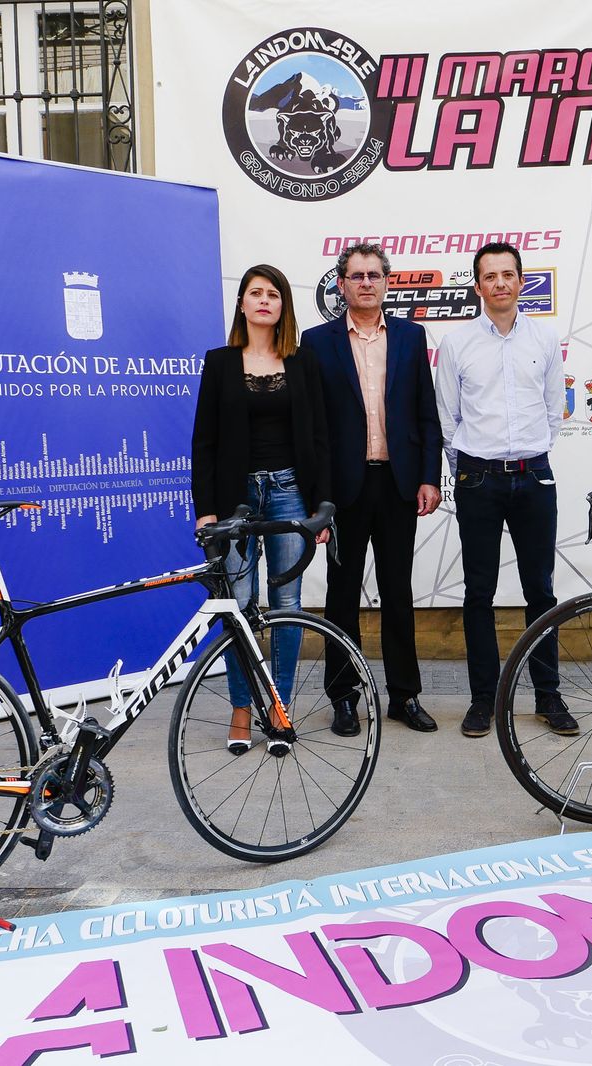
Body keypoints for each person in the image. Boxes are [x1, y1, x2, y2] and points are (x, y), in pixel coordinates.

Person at [301, 242, 443, 736]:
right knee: (341, 595)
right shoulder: (316, 342)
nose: (365, 282)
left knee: (398, 593)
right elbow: (313, 429)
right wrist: (317, 498)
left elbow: (426, 411)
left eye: (374, 275)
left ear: (386, 283)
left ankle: (404, 696)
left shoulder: (410, 336)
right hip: (343, 490)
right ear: (341, 285)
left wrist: (430, 475)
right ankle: (343, 698)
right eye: (356, 275)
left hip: (399, 484)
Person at [435, 241, 575, 739]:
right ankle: (483, 700)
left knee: (541, 589)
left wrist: (529, 457)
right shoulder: (456, 344)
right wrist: (473, 468)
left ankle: (548, 696)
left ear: (521, 281)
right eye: (489, 276)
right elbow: (447, 420)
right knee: (479, 592)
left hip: (535, 477)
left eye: (508, 274)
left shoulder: (544, 338)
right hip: (478, 479)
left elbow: (555, 412)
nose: (499, 283)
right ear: (477, 286)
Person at [191, 264, 331, 754]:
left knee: (287, 606)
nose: (265, 300)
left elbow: (319, 437)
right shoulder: (220, 362)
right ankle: (241, 709)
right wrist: (206, 511)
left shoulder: (303, 361)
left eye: (274, 294)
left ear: (282, 306)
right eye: (256, 292)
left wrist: (321, 507)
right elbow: (204, 442)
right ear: (243, 305)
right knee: (241, 606)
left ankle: (279, 705)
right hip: (235, 500)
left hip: (291, 492)